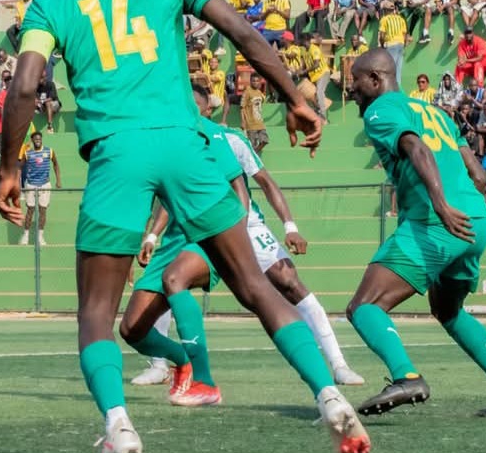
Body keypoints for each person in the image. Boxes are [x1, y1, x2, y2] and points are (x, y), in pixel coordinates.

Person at [0, 0, 367, 453]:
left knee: (96, 313)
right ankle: (330, 396)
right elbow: (242, 32)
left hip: (118, 154)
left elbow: (23, 88)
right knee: (255, 286)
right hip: (188, 146)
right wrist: (295, 99)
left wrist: (9, 166)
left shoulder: (51, 3)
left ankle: (117, 426)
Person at [129, 86, 365, 393]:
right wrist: (152, 234)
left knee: (288, 282)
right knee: (171, 281)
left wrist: (289, 226)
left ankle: (337, 365)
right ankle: (162, 366)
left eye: (195, 105)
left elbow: (264, 183)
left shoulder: (231, 140)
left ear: (207, 110)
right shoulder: (175, 142)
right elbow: (168, 196)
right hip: (193, 228)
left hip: (245, 225)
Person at [344, 48, 486, 419]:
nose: (351, 90)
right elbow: (478, 175)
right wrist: (464, 208)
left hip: (438, 219)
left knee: (364, 306)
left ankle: (406, 376)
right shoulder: (437, 113)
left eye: (356, 81)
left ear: (377, 80)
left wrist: (442, 207)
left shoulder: (383, 110)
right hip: (475, 220)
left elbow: (416, 148)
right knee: (448, 310)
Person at [19, 131, 62, 247]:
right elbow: (19, 168)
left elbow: (56, 165)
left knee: (43, 210)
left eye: (39, 139)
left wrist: (58, 180)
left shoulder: (49, 151)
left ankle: (40, 237)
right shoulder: (28, 153)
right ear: (32, 141)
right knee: (30, 210)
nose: (38, 141)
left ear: (41, 139)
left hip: (44, 184)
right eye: (35, 139)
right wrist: (17, 183)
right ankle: (25, 236)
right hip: (31, 184)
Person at [378, 1, 408, 86]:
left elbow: (382, 35)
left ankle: (391, 88)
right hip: (401, 44)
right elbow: (405, 34)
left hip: (390, 44)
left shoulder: (384, 19)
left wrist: (382, 44)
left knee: (390, 68)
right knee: (398, 69)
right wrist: (404, 44)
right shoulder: (401, 19)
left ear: (385, 10)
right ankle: (398, 87)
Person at [241, 73, 269, 153]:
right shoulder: (247, 92)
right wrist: (243, 121)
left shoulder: (259, 92)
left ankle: (255, 152)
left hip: (260, 123)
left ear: (260, 82)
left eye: (257, 81)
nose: (255, 83)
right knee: (251, 145)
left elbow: (262, 101)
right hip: (251, 124)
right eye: (253, 81)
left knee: (265, 140)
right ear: (250, 81)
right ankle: (253, 158)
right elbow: (242, 107)